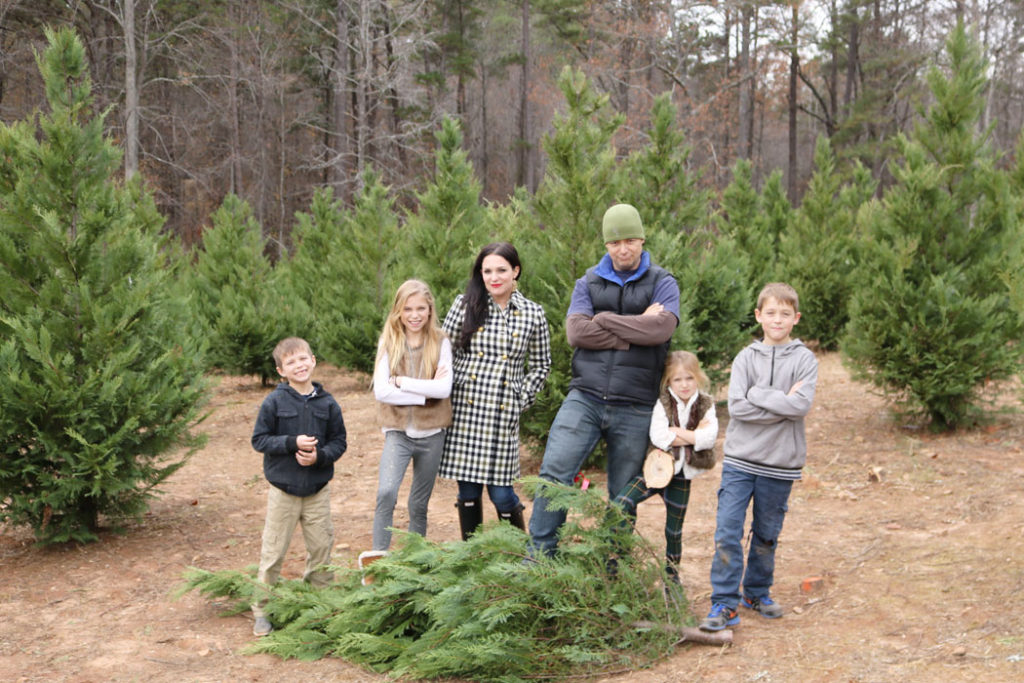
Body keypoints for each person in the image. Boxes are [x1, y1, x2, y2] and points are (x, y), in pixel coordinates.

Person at [528, 203, 680, 557]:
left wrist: (605, 319)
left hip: (635, 404)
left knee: (622, 492)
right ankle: (540, 556)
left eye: (629, 240)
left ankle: (613, 564)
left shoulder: (663, 282)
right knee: (554, 474)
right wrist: (633, 326)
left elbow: (661, 328)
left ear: (641, 239)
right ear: (606, 245)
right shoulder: (588, 282)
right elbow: (577, 333)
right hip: (585, 397)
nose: (623, 249)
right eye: (615, 242)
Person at [698, 282, 818, 632]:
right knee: (727, 532)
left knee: (766, 533)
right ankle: (724, 603)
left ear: (795, 318)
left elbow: (801, 406)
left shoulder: (804, 359)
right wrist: (781, 402)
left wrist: (758, 394)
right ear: (758, 316)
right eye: (770, 313)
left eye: (785, 313)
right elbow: (736, 407)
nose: (777, 319)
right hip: (740, 462)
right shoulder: (745, 358)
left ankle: (756, 591)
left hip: (780, 465)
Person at [440, 242, 552, 539]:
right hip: (467, 410)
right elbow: (442, 354)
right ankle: (473, 555)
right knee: (468, 491)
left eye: (501, 270)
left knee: (502, 494)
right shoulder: (464, 305)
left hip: (503, 413)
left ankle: (515, 555)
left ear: (515, 271)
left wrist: (519, 398)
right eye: (487, 271)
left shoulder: (532, 313)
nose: (494, 277)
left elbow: (541, 366)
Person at [250, 337, 347, 637]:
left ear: (313, 361)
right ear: (281, 371)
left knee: (321, 550)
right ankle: (262, 609)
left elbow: (339, 442)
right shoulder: (274, 402)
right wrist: (291, 442)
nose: (299, 365)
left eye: (303, 359)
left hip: (317, 492)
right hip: (284, 493)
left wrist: (320, 457)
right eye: (291, 362)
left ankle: (320, 607)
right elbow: (260, 440)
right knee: (273, 552)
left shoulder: (328, 403)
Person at [612, 350, 718, 584]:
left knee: (674, 531)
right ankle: (616, 562)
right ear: (669, 381)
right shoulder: (663, 403)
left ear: (698, 377)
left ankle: (672, 576)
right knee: (621, 503)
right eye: (677, 379)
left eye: (689, 378)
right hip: (655, 470)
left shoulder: (706, 403)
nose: (684, 385)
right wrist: (694, 435)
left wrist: (678, 432)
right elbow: (659, 437)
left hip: (681, 475)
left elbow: (709, 438)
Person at [367, 280, 452, 557]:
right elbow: (382, 391)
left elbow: (444, 389)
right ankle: (379, 556)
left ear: (430, 310)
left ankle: (416, 559)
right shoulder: (389, 342)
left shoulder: (441, 342)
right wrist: (424, 394)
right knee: (386, 492)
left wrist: (402, 382)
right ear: (398, 312)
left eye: (420, 309)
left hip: (432, 435)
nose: (414, 315)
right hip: (398, 432)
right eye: (408, 309)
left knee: (418, 503)